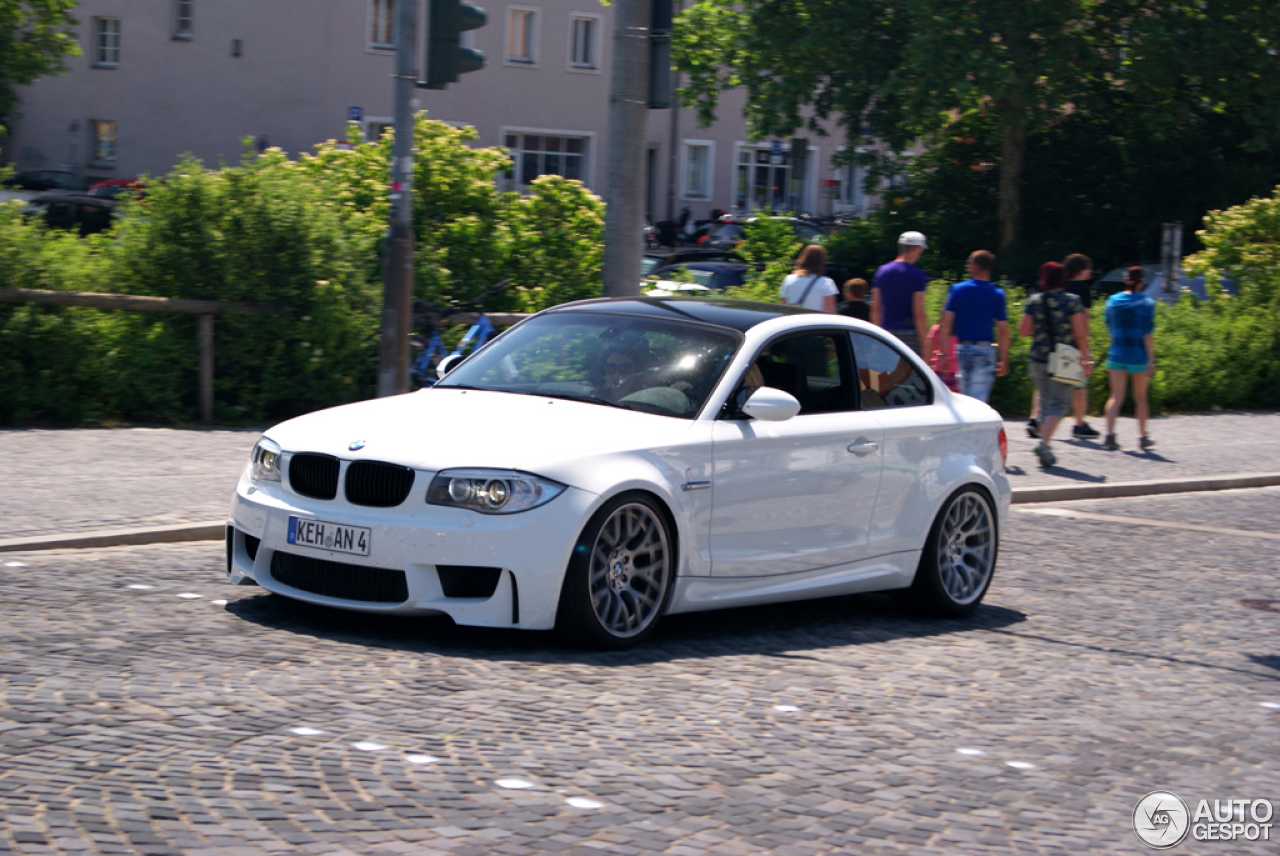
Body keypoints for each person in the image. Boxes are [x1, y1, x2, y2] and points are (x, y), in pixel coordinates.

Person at [1018, 261, 1094, 468]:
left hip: (1038, 357)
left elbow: (1023, 331)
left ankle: (1046, 445)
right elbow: (1080, 333)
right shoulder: (1072, 301)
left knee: (1044, 401)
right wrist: (1085, 358)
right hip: (1065, 358)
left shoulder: (1034, 300)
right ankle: (1044, 444)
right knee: (1059, 403)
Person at [934, 250, 1009, 403]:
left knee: (965, 400)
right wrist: (1004, 359)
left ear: (975, 265)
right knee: (978, 401)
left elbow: (946, 323)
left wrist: (943, 354)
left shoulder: (957, 290)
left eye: (969, 263)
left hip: (961, 350)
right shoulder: (997, 294)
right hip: (984, 351)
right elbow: (1003, 331)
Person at [1102, 266, 1157, 451]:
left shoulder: (1112, 301)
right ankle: (1142, 437)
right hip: (1138, 355)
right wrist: (1151, 359)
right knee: (1140, 398)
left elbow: (1110, 328)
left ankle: (1109, 435)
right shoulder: (1147, 303)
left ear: (1125, 280)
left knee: (1115, 396)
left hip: (1117, 353)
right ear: (1141, 282)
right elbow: (1147, 334)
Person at [871, 230, 930, 356]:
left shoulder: (881, 271)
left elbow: (875, 308)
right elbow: (918, 312)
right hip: (909, 335)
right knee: (910, 375)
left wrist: (877, 336)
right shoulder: (917, 275)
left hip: (886, 333)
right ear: (917, 249)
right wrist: (925, 343)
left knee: (886, 374)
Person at [1064, 253, 1101, 439]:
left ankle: (1036, 420)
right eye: (1087, 267)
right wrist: (1086, 346)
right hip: (1076, 341)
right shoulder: (1082, 290)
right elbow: (1084, 319)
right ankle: (1079, 423)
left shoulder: (1060, 286)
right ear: (1079, 270)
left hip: (1058, 340)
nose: (1090, 271)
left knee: (1050, 383)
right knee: (1079, 385)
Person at [779, 244, 838, 311]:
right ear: (822, 261)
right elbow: (829, 310)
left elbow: (783, 306)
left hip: (794, 320)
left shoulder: (788, 279)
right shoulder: (826, 282)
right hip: (814, 321)